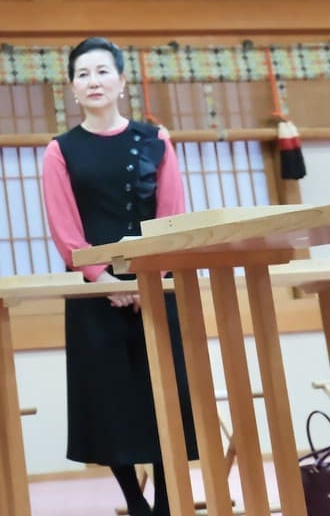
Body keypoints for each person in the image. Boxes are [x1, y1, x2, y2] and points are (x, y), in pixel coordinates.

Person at [42, 36, 196, 516]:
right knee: (107, 400)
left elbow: (172, 217)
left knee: (164, 396)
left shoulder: (156, 140)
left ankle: (168, 503)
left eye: (102, 71)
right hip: (95, 295)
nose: (93, 81)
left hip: (156, 287)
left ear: (122, 81)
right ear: (72, 87)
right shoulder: (60, 150)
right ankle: (135, 502)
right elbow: (65, 228)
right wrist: (102, 280)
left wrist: (149, 277)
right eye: (83, 74)